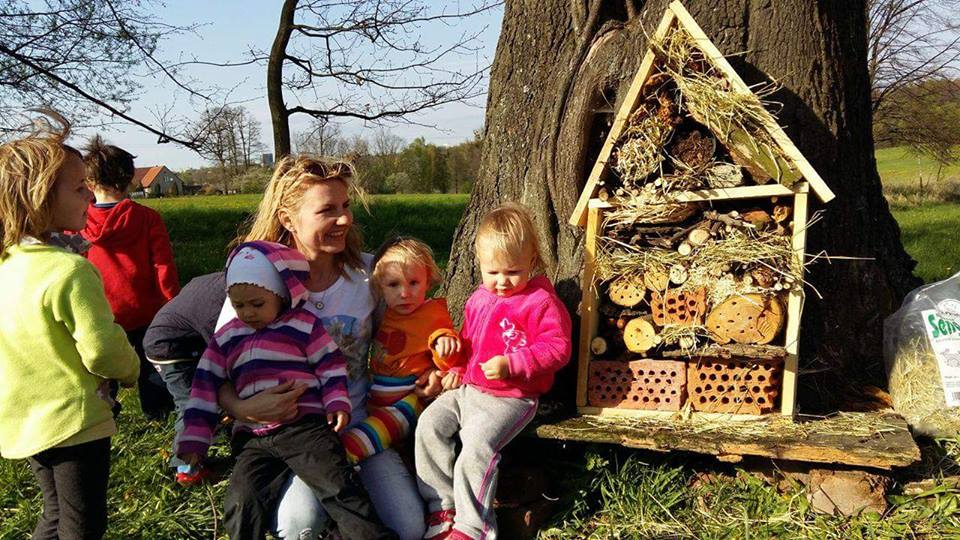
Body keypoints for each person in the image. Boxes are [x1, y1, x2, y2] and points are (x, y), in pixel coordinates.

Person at [214, 156, 428, 540]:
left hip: (358, 426)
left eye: (345, 206)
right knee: (298, 526)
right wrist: (242, 409)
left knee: (409, 527)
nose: (344, 219)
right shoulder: (254, 282)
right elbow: (217, 369)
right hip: (289, 436)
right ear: (288, 218)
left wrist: (430, 372)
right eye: (328, 210)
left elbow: (403, 339)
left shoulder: (368, 277)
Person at [177, 240, 393, 540]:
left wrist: (336, 402)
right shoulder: (227, 337)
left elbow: (330, 363)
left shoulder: (303, 325)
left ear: (281, 295)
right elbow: (204, 385)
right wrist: (194, 441)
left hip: (305, 429)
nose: (248, 313)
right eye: (239, 305)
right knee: (241, 502)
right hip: (253, 437)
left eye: (257, 304)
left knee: (337, 487)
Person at [0, 113, 140, 540]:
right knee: (82, 523)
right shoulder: (69, 271)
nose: (89, 195)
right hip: (76, 422)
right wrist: (131, 368)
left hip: (24, 418)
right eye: (79, 188)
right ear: (41, 197)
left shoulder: (7, 266)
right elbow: (101, 349)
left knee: (54, 513)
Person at [415, 203, 572, 540]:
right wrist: (456, 363)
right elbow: (469, 342)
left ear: (532, 262)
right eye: (493, 272)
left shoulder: (540, 302)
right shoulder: (479, 299)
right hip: (469, 391)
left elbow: (557, 347)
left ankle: (473, 527)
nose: (501, 282)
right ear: (480, 264)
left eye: (512, 272)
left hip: (512, 398)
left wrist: (513, 364)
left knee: (476, 446)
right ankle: (441, 506)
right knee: (429, 424)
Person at [80, 136, 178, 420]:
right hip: (146, 308)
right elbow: (163, 265)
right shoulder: (147, 218)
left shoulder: (79, 221)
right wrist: (172, 304)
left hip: (99, 310)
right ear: (129, 179)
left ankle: (104, 414)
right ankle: (158, 413)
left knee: (101, 365)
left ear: (89, 182)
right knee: (152, 362)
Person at [341, 237, 460, 464]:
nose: (405, 293)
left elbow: (448, 355)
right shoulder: (386, 313)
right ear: (380, 287)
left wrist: (444, 343)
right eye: (393, 285)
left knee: (364, 436)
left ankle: (342, 458)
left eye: (413, 283)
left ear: (428, 282)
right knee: (382, 434)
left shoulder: (431, 313)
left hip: (409, 400)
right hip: (376, 396)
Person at [142, 271, 225, 483]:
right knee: (191, 403)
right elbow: (224, 351)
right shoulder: (217, 309)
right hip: (168, 348)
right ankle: (186, 469)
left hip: (185, 341)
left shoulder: (217, 282)